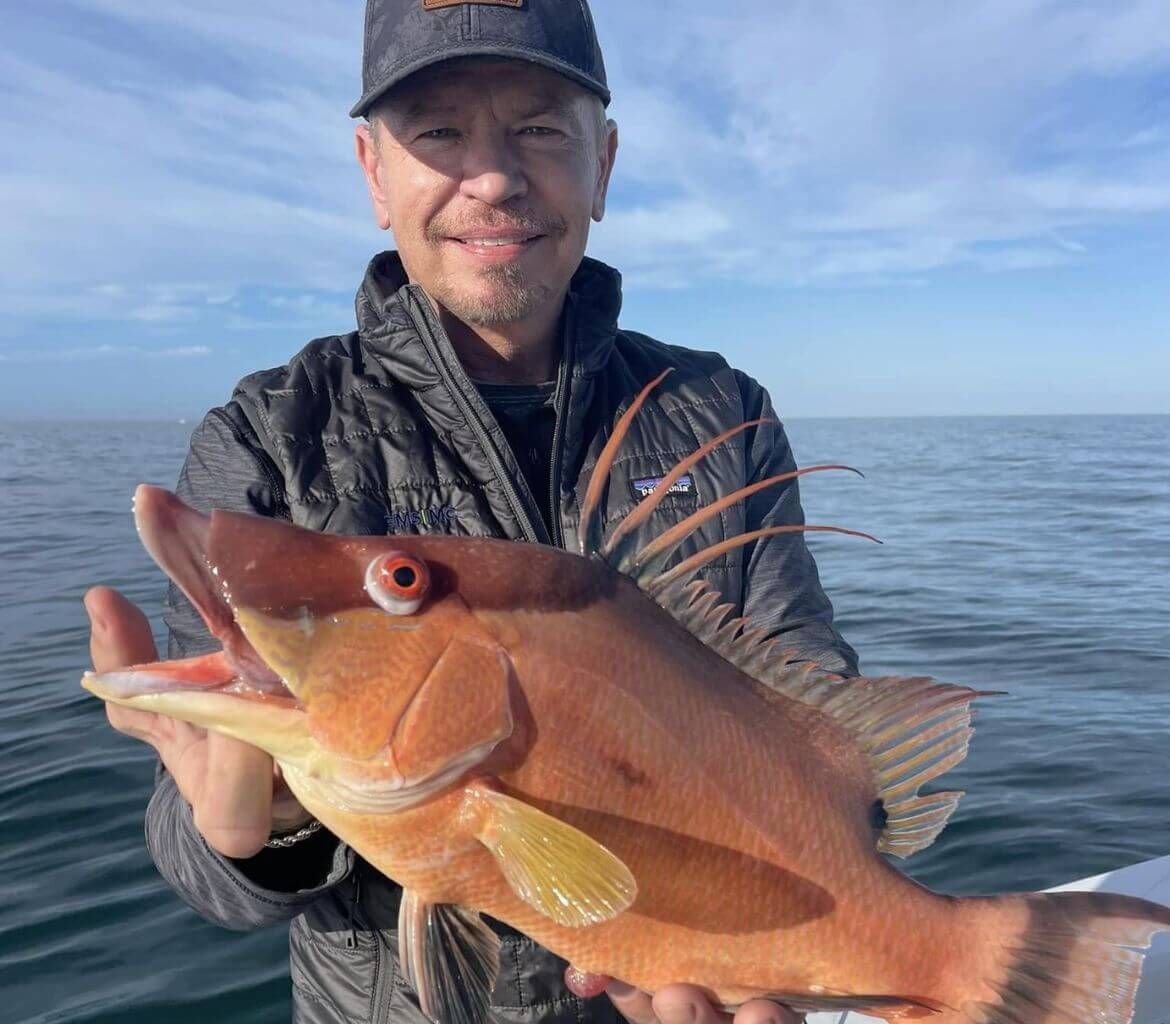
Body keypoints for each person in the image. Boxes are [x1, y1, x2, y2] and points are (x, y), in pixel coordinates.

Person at [86, 2, 859, 1022]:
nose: (493, 178)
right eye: (440, 133)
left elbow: (823, 722)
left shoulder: (721, 415)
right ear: (374, 173)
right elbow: (205, 869)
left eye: (541, 129)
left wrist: (798, 920)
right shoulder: (270, 436)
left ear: (604, 165)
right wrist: (263, 837)